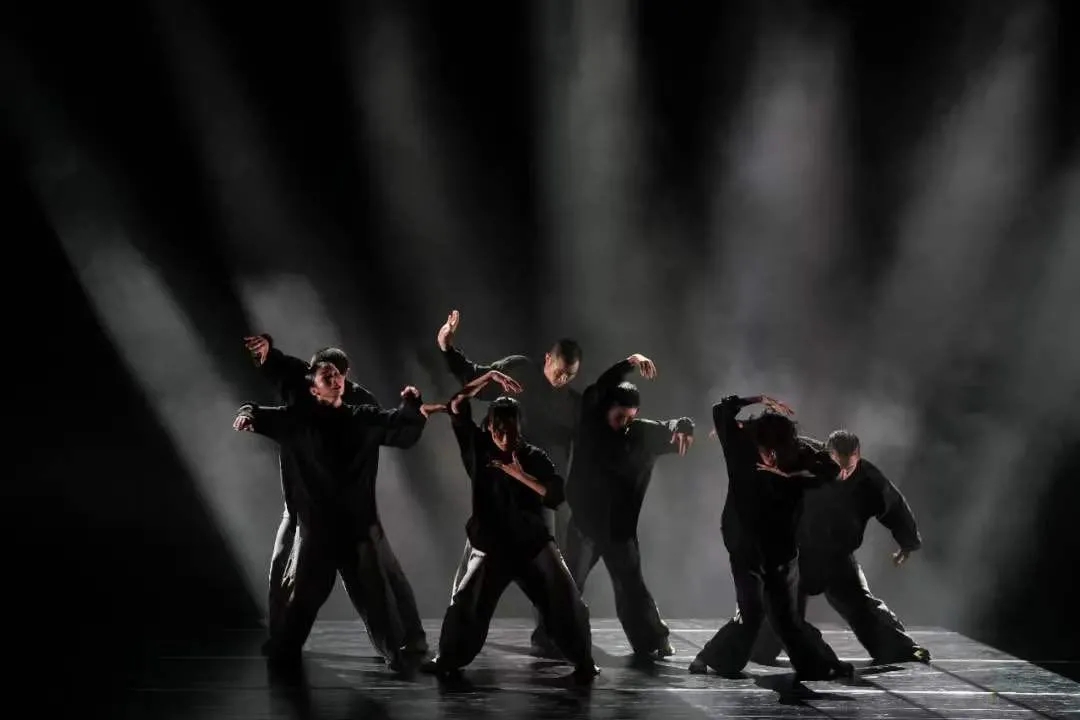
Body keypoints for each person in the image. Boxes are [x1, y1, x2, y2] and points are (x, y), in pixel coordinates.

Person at [233, 359, 436, 671]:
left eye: (337, 374)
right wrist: (246, 415)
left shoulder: (362, 417)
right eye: (326, 376)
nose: (335, 378)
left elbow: (397, 422)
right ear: (314, 389)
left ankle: (395, 655)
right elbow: (256, 411)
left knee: (375, 598)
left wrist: (412, 402)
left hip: (357, 529)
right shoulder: (297, 421)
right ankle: (284, 653)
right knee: (304, 599)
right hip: (319, 531)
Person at [420, 370, 599, 684]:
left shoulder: (534, 457)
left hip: (533, 546)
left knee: (566, 600)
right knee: (466, 604)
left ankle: (583, 660)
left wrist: (520, 475)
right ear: (489, 427)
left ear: (520, 428)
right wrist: (488, 376)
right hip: (491, 545)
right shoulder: (478, 448)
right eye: (500, 431)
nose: (506, 438)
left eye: (512, 431)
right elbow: (458, 403)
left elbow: (555, 496)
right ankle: (447, 658)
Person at [435, 310, 582, 657]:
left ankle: (551, 636)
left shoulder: (573, 405)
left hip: (536, 491)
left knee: (548, 569)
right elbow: (475, 378)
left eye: (570, 375)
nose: (562, 379)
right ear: (547, 359)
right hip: (499, 482)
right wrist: (447, 347)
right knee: (478, 555)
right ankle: (455, 636)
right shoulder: (521, 372)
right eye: (559, 371)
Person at [689, 395, 853, 681]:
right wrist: (759, 399)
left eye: (778, 452)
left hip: (780, 549)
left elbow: (833, 471)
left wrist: (793, 477)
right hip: (745, 544)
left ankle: (820, 665)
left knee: (786, 619)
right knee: (751, 612)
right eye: (767, 452)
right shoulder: (741, 447)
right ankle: (710, 658)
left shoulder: (799, 453)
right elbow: (721, 410)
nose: (772, 458)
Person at [749, 430, 930, 666]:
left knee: (862, 606)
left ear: (858, 458)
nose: (843, 474)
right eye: (837, 467)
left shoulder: (869, 479)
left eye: (849, 468)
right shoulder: (801, 457)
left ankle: (904, 649)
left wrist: (907, 543)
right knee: (779, 615)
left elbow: (894, 507)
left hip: (836, 558)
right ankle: (753, 647)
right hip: (796, 554)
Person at [562, 353, 694, 659]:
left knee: (632, 588)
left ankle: (653, 641)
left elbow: (672, 427)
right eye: (619, 416)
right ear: (606, 409)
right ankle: (551, 637)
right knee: (568, 584)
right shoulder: (591, 428)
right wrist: (629, 363)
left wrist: (683, 426)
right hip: (585, 526)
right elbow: (598, 389)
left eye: (630, 417)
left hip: (620, 530)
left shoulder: (640, 433)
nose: (625, 424)